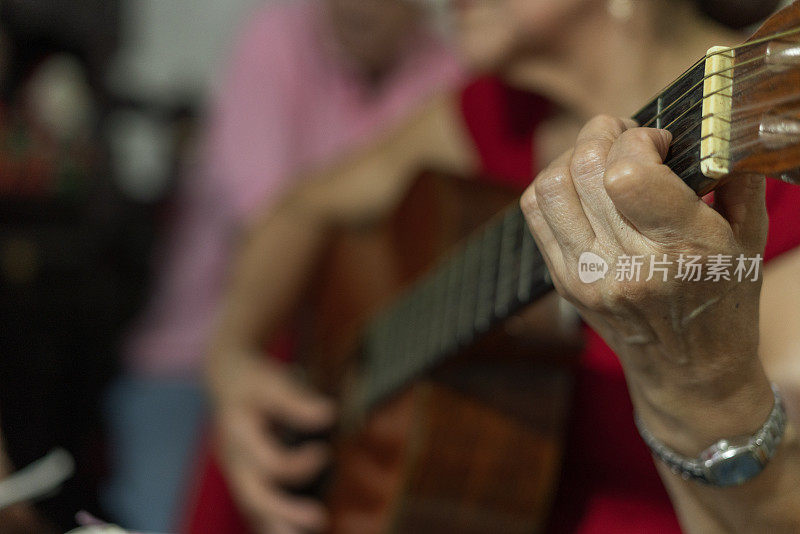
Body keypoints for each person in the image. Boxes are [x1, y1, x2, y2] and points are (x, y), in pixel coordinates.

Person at [197, 0, 800, 532]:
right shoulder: (501, 109)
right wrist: (232, 359)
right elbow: (303, 205)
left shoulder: (772, 189)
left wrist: (697, 389)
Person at [105, 0, 462, 531]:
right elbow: (270, 221)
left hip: (349, 375)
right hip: (194, 362)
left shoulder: (451, 67)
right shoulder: (277, 34)